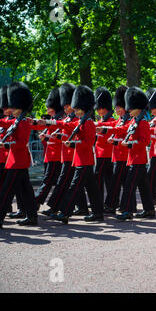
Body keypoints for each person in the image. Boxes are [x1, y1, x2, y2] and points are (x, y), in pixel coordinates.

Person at [48, 85, 105, 224]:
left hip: (85, 160)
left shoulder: (89, 123)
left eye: (78, 109)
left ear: (83, 108)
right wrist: (52, 124)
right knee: (92, 189)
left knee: (74, 187)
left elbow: (88, 142)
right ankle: (98, 213)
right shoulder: (82, 121)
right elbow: (68, 127)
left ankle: (65, 212)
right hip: (80, 160)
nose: (76, 111)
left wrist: (73, 144)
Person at [0, 82, 38, 228]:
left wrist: (7, 145)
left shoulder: (25, 122)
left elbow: (21, 143)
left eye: (14, 106)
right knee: (26, 190)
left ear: (20, 107)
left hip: (18, 161)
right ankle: (32, 216)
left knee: (6, 190)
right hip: (15, 161)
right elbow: (0, 123)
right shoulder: (15, 121)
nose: (11, 108)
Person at [115, 86, 155, 220]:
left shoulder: (143, 122)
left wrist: (131, 143)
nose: (129, 110)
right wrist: (105, 129)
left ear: (139, 107)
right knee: (143, 186)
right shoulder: (134, 121)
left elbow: (145, 141)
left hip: (139, 158)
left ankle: (127, 211)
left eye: (131, 108)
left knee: (129, 185)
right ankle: (149, 209)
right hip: (134, 158)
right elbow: (123, 129)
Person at [96, 86, 130, 214]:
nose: (117, 110)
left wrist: (105, 130)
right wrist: (97, 125)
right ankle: (118, 205)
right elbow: (113, 126)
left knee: (118, 182)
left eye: (119, 108)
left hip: (123, 155)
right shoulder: (120, 120)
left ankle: (114, 204)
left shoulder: (128, 120)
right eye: (116, 108)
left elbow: (120, 130)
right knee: (118, 182)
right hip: (117, 155)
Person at [31, 88, 64, 211]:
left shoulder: (59, 120)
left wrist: (47, 137)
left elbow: (60, 137)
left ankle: (37, 201)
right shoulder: (53, 120)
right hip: (50, 154)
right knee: (57, 181)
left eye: (49, 106)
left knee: (49, 179)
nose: (47, 108)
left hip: (56, 155)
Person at [93, 87, 115, 203]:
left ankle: (99, 202)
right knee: (108, 179)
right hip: (100, 153)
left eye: (99, 108)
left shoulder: (111, 120)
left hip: (105, 153)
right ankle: (109, 202)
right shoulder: (101, 121)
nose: (97, 110)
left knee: (99, 178)